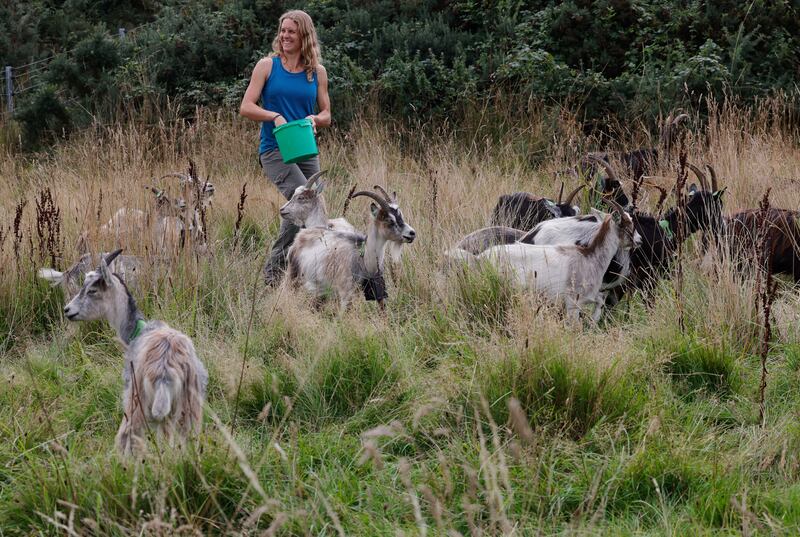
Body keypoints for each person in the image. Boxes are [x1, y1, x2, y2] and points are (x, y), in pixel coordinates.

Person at [239, 9, 331, 285]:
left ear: (304, 35)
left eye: (291, 31)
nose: (285, 36)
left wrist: (314, 118)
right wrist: (273, 116)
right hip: (274, 149)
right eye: (282, 30)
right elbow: (246, 106)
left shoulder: (316, 72)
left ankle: (309, 271)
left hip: (305, 148)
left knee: (313, 207)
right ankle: (273, 275)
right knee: (304, 202)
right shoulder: (267, 66)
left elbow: (327, 113)